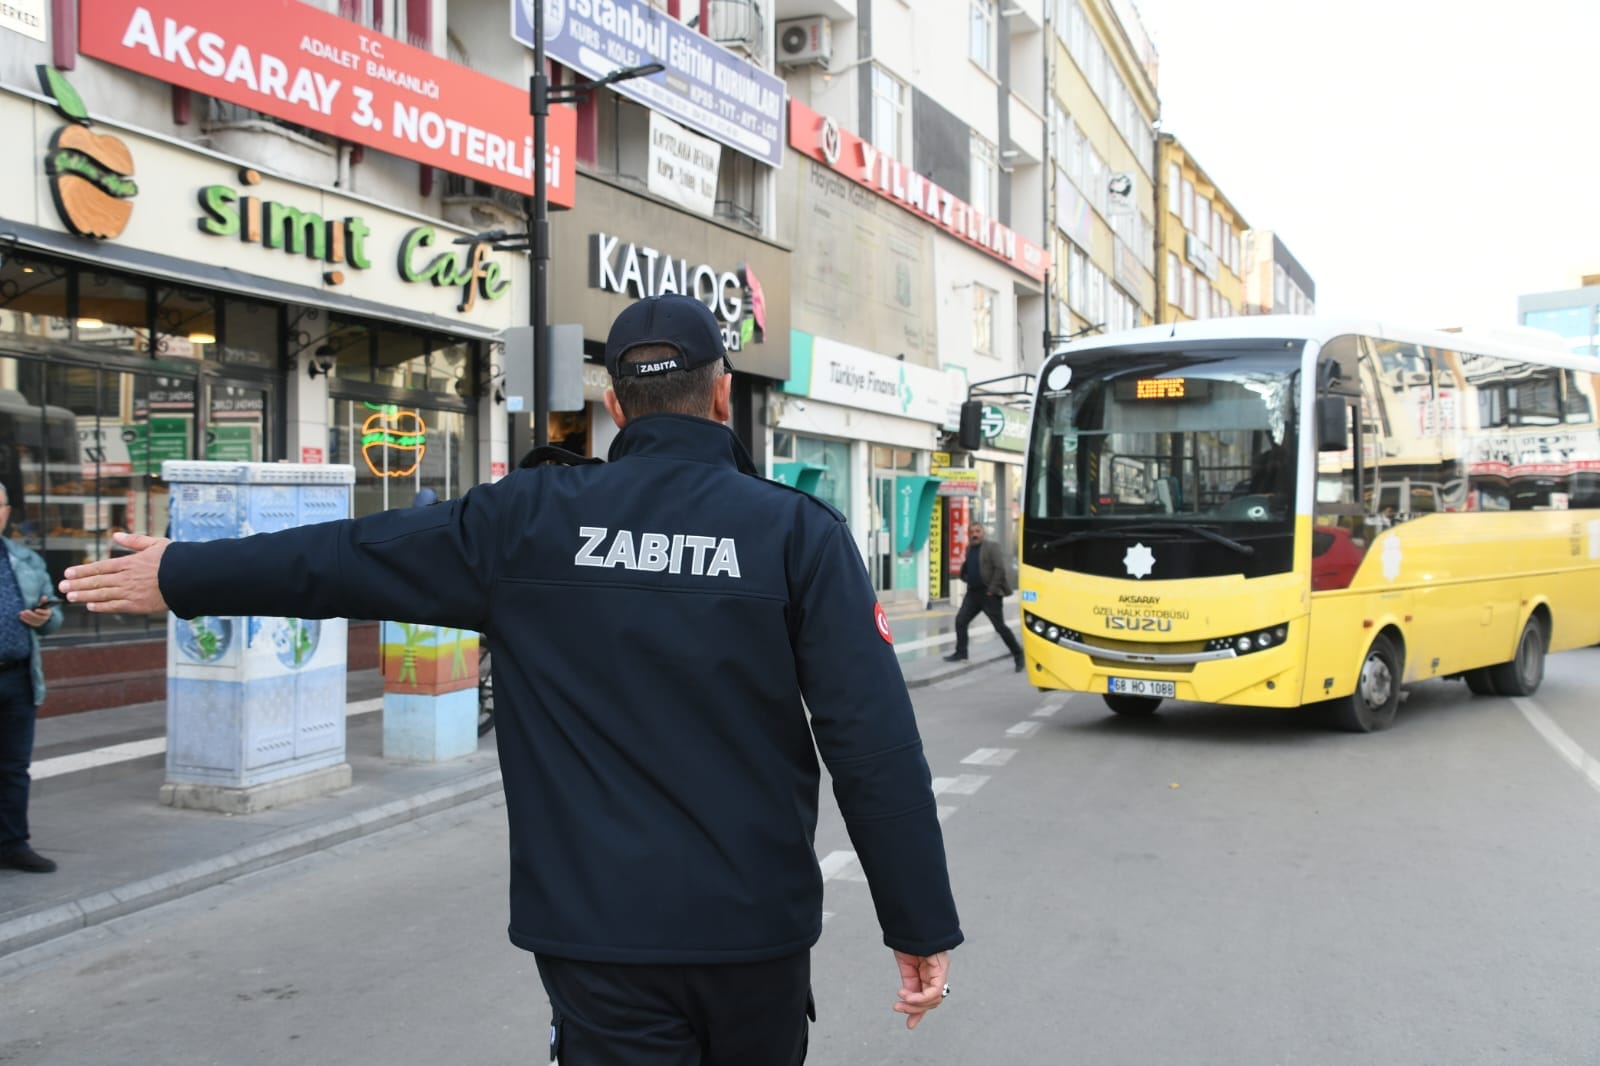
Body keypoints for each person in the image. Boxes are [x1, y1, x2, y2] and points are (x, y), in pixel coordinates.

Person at [60, 294, 961, 1063]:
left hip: (597, 936)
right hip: (754, 935)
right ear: (723, 394)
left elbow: (342, 557)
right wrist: (915, 925)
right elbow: (873, 743)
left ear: (615, 404)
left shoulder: (523, 521)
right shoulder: (796, 534)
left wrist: (182, 571)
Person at [0, 483, 65, 874]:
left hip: (18, 679)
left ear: (7, 511)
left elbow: (54, 619)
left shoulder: (23, 559)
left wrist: (44, 617)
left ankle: (12, 844)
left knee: (12, 767)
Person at [944, 521, 1024, 672]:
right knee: (960, 621)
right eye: (972, 532)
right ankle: (961, 653)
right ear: (968, 535)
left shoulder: (992, 547)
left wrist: (991, 590)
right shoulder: (969, 548)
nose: (974, 534)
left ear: (983, 533)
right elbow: (969, 567)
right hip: (973, 593)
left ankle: (1018, 654)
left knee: (1000, 627)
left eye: (977, 531)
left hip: (989, 594)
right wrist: (967, 578)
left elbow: (999, 569)